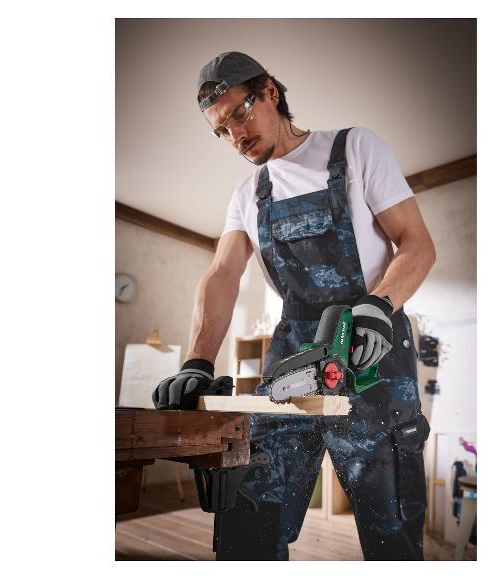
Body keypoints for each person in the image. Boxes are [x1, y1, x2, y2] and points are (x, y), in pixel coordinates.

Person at [152, 51, 436, 560]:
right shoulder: (247, 194)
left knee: (390, 524)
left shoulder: (354, 149)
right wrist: (197, 360)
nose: (235, 137)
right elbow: (222, 275)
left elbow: (417, 244)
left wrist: (379, 306)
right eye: (221, 130)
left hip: (371, 347)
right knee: (252, 511)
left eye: (239, 113)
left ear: (270, 93)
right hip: (293, 360)